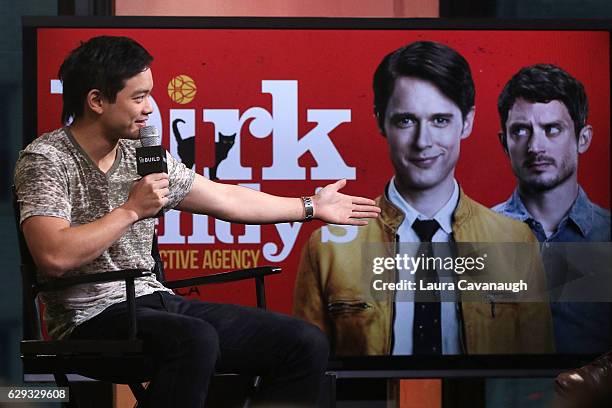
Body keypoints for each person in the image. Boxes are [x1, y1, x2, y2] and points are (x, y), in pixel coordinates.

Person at [13, 35, 381, 408]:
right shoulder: (47, 159)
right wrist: (131, 211)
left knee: (304, 342)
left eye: (150, 95)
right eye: (138, 97)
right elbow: (54, 256)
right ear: (96, 101)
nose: (150, 108)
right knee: (194, 339)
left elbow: (225, 198)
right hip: (88, 320)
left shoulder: (143, 153)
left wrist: (310, 206)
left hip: (153, 302)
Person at [293, 41, 554, 356]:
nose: (423, 141)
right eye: (406, 120)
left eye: (440, 120)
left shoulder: (515, 241)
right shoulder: (330, 247)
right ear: (380, 121)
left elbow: (536, 378)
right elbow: (309, 377)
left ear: (467, 121)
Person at [493, 63, 612, 354]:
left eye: (552, 129)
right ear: (504, 143)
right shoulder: (471, 236)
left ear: (583, 139)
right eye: (520, 130)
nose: (535, 146)